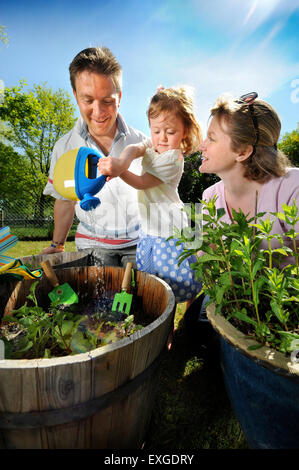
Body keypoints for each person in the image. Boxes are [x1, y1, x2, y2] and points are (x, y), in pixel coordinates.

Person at [184, 91, 299, 345]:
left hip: (285, 301)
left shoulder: (291, 186)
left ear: (243, 151)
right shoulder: (210, 196)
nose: (201, 145)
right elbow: (208, 263)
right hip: (238, 296)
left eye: (212, 138)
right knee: (195, 328)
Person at [42, 47, 150, 267]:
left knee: (139, 300)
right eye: (88, 100)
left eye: (107, 101)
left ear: (119, 97)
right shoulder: (64, 147)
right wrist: (57, 244)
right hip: (92, 245)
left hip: (138, 244)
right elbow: (64, 201)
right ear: (75, 95)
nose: (98, 111)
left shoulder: (141, 143)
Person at [98, 86, 203, 302]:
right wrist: (121, 162)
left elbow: (141, 182)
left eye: (170, 132)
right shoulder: (153, 144)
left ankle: (188, 321)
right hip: (150, 229)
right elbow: (135, 149)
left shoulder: (173, 159)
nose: (162, 138)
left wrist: (119, 170)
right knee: (156, 283)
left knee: (180, 283)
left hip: (170, 231)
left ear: (184, 132)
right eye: (156, 131)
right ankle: (168, 323)